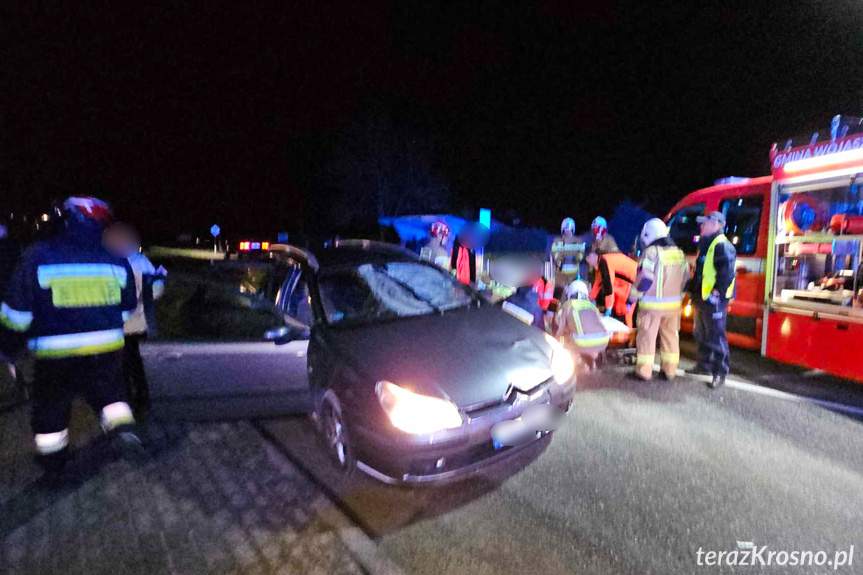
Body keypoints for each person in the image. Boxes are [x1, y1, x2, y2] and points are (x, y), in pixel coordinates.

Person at [0, 197, 143, 482]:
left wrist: (7, 347)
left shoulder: (38, 254)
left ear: (65, 218)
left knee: (51, 409)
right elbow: (128, 308)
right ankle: (124, 431)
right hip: (107, 349)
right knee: (112, 397)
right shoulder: (116, 257)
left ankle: (55, 466)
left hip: (56, 354)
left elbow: (17, 314)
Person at [104, 224, 167, 419]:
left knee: (121, 370)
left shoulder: (106, 263)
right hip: (138, 326)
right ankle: (142, 404)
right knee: (140, 369)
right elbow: (155, 291)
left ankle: (126, 405)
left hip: (115, 328)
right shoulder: (140, 262)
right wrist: (160, 280)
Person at [628, 219, 690, 381]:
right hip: (673, 307)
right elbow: (686, 278)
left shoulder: (651, 252)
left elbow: (645, 279)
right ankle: (669, 371)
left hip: (652, 306)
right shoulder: (679, 252)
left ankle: (644, 372)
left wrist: (632, 297)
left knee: (647, 338)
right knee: (670, 338)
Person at [688, 211, 737, 388]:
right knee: (701, 334)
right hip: (702, 299)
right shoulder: (707, 245)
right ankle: (703, 366)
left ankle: (720, 373)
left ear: (716, 224)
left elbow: (727, 273)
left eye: (705, 223)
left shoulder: (721, 245)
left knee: (716, 336)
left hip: (714, 300)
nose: (702, 226)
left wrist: (717, 293)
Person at [554, 280, 609, 372]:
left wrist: (555, 340)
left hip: (583, 342)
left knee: (563, 339)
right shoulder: (592, 306)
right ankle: (593, 360)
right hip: (603, 341)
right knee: (589, 336)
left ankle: (581, 363)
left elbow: (560, 327)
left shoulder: (567, 305)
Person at [586, 249, 638, 327]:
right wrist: (589, 299)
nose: (589, 264)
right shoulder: (602, 264)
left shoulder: (604, 262)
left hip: (634, 285)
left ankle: (627, 335)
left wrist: (609, 308)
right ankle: (626, 334)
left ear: (592, 257)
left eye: (588, 260)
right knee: (621, 313)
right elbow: (598, 283)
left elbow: (608, 287)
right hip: (629, 285)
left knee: (625, 314)